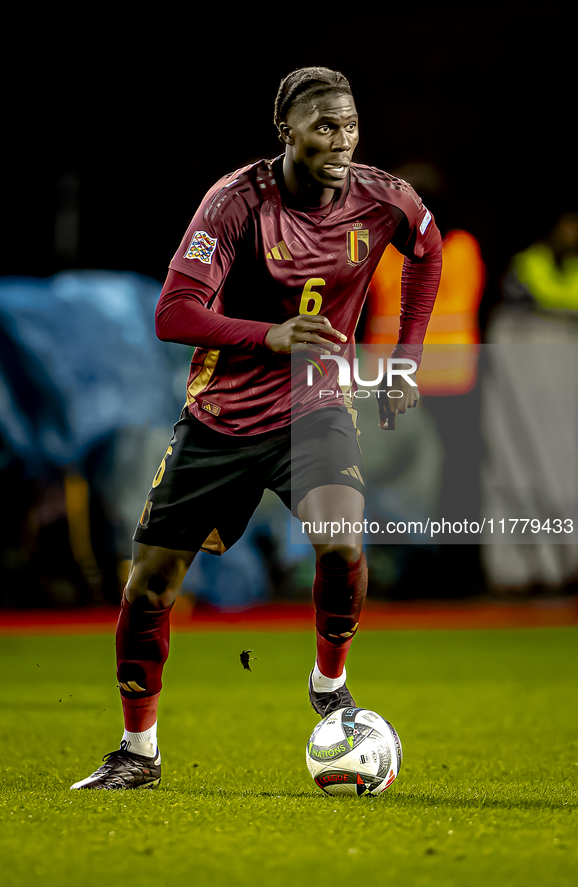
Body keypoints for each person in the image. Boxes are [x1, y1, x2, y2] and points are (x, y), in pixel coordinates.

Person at [71, 66, 442, 790]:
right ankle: (136, 752)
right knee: (148, 586)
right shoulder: (236, 201)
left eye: (350, 125)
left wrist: (404, 362)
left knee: (340, 537)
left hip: (313, 409)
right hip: (220, 417)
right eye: (324, 127)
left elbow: (427, 252)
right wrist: (267, 335)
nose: (341, 141)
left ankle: (328, 682)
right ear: (287, 131)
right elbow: (172, 312)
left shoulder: (380, 197)